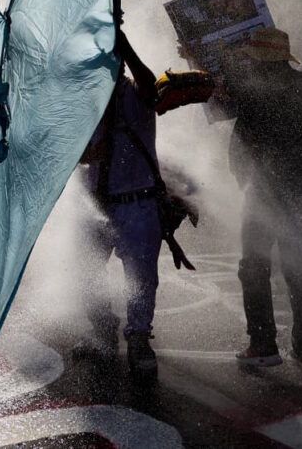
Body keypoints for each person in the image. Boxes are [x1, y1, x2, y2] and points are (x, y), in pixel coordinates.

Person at [82, 27, 204, 378]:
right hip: (93, 205)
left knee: (141, 278)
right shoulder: (81, 103)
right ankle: (102, 326)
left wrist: (124, 44)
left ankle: (138, 336)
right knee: (84, 272)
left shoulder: (136, 95)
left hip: (136, 205)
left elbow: (151, 88)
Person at [218, 28, 302, 374]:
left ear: (259, 59)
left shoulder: (256, 88)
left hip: (266, 192)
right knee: (299, 268)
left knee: (254, 266)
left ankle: (263, 345)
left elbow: (238, 130)